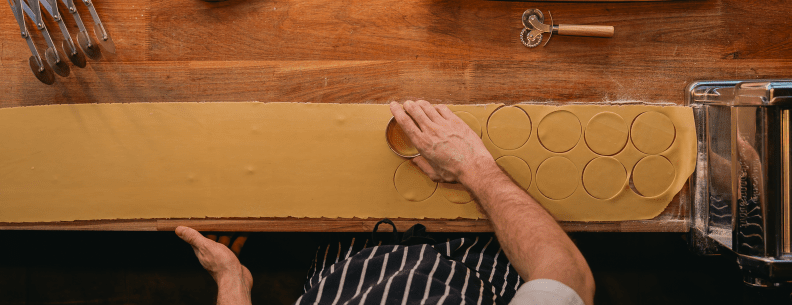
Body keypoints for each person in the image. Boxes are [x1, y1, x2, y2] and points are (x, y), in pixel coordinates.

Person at [176, 100, 595, 305]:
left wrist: (231, 280)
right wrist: (474, 168)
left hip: (346, 258)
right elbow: (569, 281)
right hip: (472, 251)